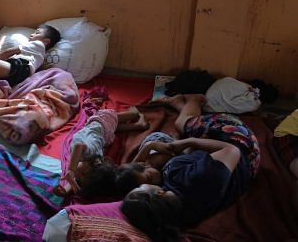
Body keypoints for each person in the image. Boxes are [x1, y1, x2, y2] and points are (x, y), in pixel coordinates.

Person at [115, 94, 260, 196]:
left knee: (183, 129)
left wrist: (150, 147)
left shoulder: (168, 182)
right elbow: (230, 150)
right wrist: (187, 142)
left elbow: (137, 169)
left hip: (241, 156)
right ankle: (193, 100)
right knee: (182, 124)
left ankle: (180, 104)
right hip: (240, 142)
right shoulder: (179, 175)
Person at [121, 137, 252, 242]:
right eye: (140, 187)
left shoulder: (170, 212)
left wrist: (148, 146)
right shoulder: (199, 179)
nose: (140, 185)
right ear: (159, 193)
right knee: (186, 122)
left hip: (192, 155)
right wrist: (189, 141)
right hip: (236, 144)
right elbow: (233, 150)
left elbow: (131, 173)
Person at [57, 108, 148, 197]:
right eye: (82, 174)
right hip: (103, 122)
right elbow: (78, 145)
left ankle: (139, 126)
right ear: (94, 163)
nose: (77, 175)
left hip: (105, 135)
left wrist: (65, 190)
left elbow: (75, 179)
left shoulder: (91, 165)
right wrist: (71, 170)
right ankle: (136, 113)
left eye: (79, 178)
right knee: (128, 115)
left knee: (115, 127)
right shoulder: (89, 153)